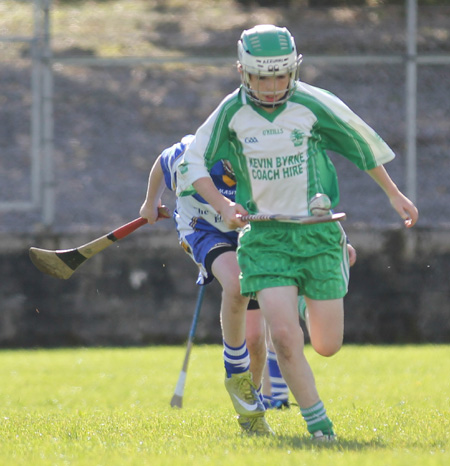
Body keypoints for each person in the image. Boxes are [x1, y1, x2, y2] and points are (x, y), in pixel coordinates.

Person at [176, 24, 419, 440]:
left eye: (281, 75)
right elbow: (192, 164)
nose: (272, 87)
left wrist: (395, 194)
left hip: (317, 234)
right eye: (262, 77)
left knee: (326, 345)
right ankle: (320, 428)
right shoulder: (231, 113)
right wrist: (223, 206)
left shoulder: (312, 104)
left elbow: (359, 144)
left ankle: (329, 273)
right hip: (265, 238)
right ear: (243, 73)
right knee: (285, 339)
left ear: (294, 71)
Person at [140, 134, 357, 433]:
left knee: (255, 341)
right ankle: (234, 372)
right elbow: (161, 163)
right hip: (202, 229)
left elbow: (301, 199)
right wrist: (151, 202)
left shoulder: (268, 163)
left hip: (251, 234)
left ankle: (251, 414)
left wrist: (334, 237)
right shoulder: (193, 152)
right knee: (235, 283)